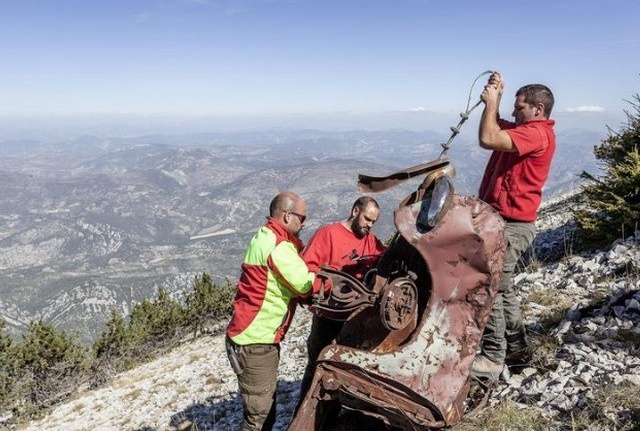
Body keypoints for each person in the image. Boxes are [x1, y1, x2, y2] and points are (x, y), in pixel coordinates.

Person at [471, 72, 556, 380]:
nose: (513, 113)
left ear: (538, 109)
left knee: (488, 284)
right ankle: (518, 351)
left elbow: (487, 138)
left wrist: (492, 101)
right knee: (502, 288)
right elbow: (493, 126)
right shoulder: (526, 130)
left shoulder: (536, 134)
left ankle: (493, 357)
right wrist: (497, 96)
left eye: (519, 108)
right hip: (503, 221)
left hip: (512, 224)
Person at [225, 191, 328, 431]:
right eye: (302, 218)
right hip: (256, 340)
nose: (305, 223)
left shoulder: (264, 236)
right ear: (286, 216)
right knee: (259, 419)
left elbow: (273, 282)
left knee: (261, 410)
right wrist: (326, 284)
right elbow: (304, 283)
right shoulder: (279, 245)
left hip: (249, 335)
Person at [296, 196, 386, 405]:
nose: (369, 226)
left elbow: (384, 259)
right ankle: (304, 409)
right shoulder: (328, 234)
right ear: (355, 211)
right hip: (328, 316)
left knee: (347, 369)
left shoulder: (370, 241)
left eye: (374, 222)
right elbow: (308, 270)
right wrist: (333, 287)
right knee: (318, 364)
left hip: (354, 318)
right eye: (367, 219)